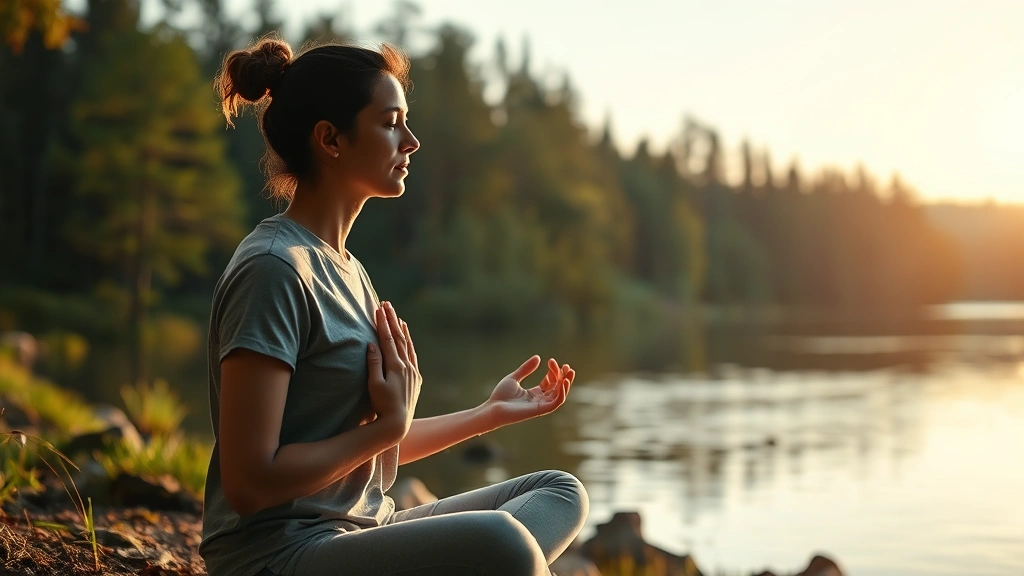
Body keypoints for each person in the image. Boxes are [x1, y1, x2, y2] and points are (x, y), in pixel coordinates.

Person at [200, 35, 589, 576]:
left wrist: (487, 413)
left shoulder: (349, 270)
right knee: (505, 544)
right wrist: (385, 428)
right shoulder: (273, 269)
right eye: (390, 123)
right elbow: (248, 483)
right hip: (278, 556)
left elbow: (372, 449)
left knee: (557, 492)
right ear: (330, 139)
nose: (411, 141)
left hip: (361, 531)